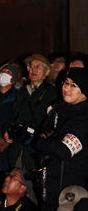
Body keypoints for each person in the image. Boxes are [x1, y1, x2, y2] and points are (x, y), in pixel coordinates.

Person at [34, 68, 88, 210]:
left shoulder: (84, 118)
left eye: (73, 86)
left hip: (73, 190)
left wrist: (44, 143)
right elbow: (41, 139)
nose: (66, 88)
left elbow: (63, 151)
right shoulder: (58, 109)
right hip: (49, 182)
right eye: (66, 83)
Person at [4, 54, 58, 171]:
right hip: (18, 147)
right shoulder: (22, 91)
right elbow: (15, 115)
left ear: (46, 72)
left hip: (36, 149)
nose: (33, 70)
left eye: (38, 66)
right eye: (31, 66)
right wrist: (8, 129)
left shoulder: (52, 93)